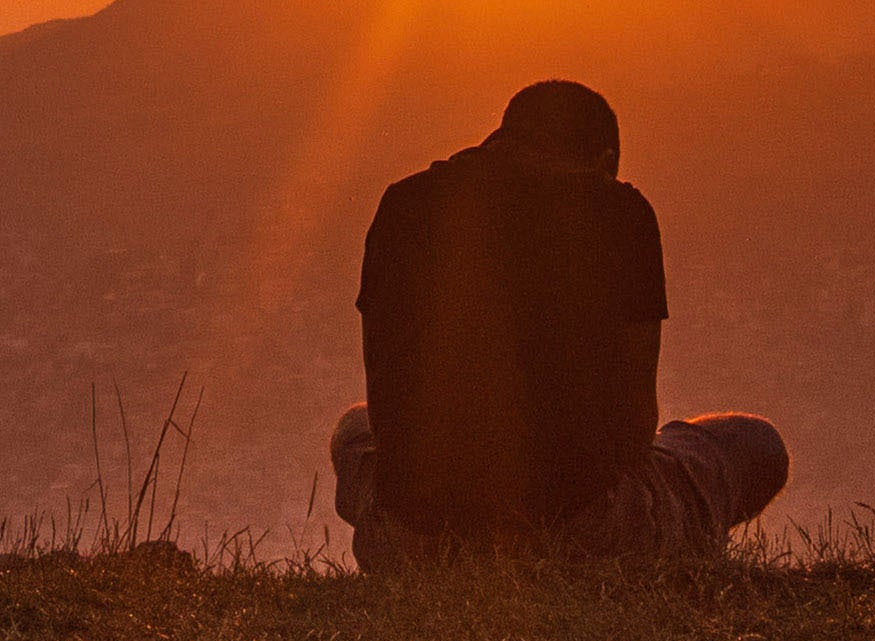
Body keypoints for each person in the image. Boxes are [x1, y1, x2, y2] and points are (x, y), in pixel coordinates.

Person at [334, 77, 794, 562]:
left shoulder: (403, 205)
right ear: (604, 160)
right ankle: (680, 549)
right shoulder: (619, 211)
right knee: (756, 442)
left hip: (411, 541)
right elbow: (635, 425)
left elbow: (385, 406)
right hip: (581, 537)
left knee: (352, 426)